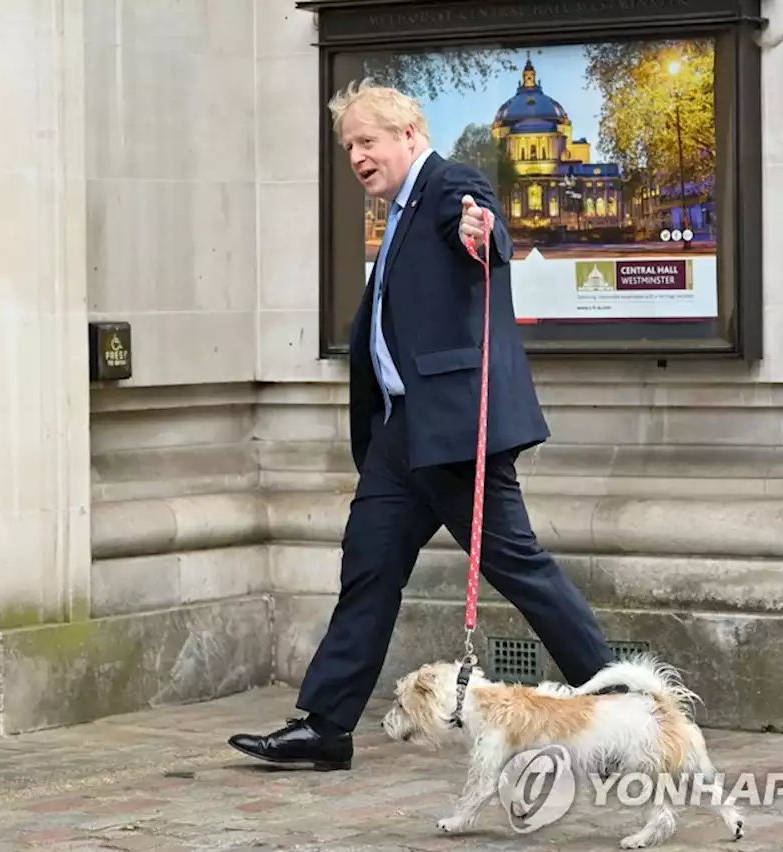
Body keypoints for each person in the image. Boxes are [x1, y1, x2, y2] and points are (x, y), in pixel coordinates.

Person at [227, 80, 616, 771]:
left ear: (409, 134)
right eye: (348, 145)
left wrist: (482, 234)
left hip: (455, 432)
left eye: (367, 141)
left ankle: (622, 707)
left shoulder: (446, 185)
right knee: (367, 571)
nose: (356, 156)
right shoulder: (398, 211)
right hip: (398, 435)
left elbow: (484, 228)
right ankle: (325, 727)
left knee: (520, 570)